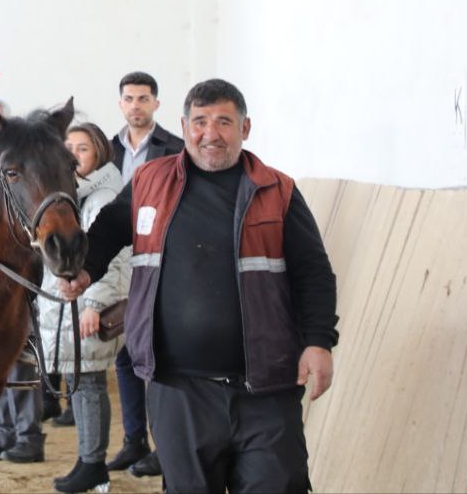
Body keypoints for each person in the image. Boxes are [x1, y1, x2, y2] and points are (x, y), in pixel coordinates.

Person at [60, 79, 339, 492]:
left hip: (265, 391)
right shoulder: (149, 181)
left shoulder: (277, 191)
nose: (211, 133)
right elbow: (107, 232)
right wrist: (83, 270)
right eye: (201, 122)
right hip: (178, 391)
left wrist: (319, 341)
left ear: (245, 129)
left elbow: (314, 272)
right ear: (183, 125)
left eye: (224, 122)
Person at [40, 122, 129, 492]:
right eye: (69, 149)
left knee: (90, 382)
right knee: (79, 380)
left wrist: (93, 303)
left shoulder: (104, 196)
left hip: (90, 306)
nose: (74, 156)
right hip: (68, 306)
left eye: (83, 149)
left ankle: (94, 464)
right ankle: (87, 461)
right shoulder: (71, 197)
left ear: (99, 154)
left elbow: (116, 258)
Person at [106, 71, 184, 477]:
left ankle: (162, 446)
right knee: (124, 357)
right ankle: (134, 441)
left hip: (156, 259)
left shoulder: (176, 148)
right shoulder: (104, 148)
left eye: (143, 98)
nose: (135, 105)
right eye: (129, 99)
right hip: (116, 259)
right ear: (120, 104)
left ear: (156, 103)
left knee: (153, 355)